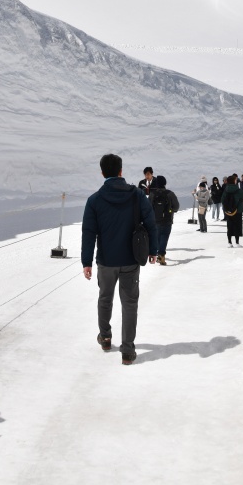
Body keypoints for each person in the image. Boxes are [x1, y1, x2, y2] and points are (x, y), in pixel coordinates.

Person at [81, 153, 157, 365]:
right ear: (121, 171)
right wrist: (154, 250)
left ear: (103, 172)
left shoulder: (94, 200)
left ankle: (105, 337)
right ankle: (128, 350)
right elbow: (150, 222)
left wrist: (86, 261)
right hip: (131, 259)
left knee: (105, 298)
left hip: (106, 261)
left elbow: (89, 232)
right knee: (130, 303)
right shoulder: (136, 195)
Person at [149, 175, 180, 265]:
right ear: (165, 183)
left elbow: (148, 206)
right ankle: (161, 254)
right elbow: (177, 206)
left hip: (155, 220)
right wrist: (171, 211)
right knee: (164, 236)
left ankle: (159, 252)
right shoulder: (170, 193)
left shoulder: (152, 194)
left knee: (158, 236)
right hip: (167, 219)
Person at [221, 173, 243, 247]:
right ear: (233, 181)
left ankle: (229, 243)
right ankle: (237, 243)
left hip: (228, 212)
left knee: (229, 226)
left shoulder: (226, 190)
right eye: (235, 180)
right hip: (238, 211)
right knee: (237, 226)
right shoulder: (237, 190)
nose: (237, 181)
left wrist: (227, 207)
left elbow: (222, 200)